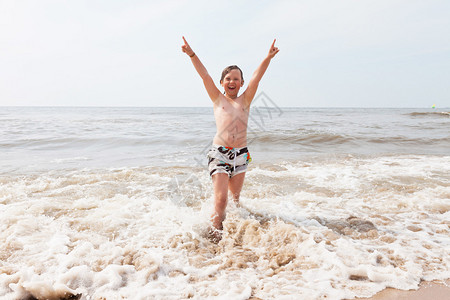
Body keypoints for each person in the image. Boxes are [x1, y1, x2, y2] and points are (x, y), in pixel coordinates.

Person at [181, 36, 279, 242]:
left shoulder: (246, 99)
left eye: (236, 79)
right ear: (222, 83)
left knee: (234, 201)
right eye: (228, 78)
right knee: (221, 199)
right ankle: (213, 238)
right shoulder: (218, 99)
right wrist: (191, 54)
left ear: (242, 83)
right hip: (220, 154)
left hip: (241, 156)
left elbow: (257, 77)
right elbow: (204, 75)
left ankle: (232, 237)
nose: (232, 81)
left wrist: (268, 58)